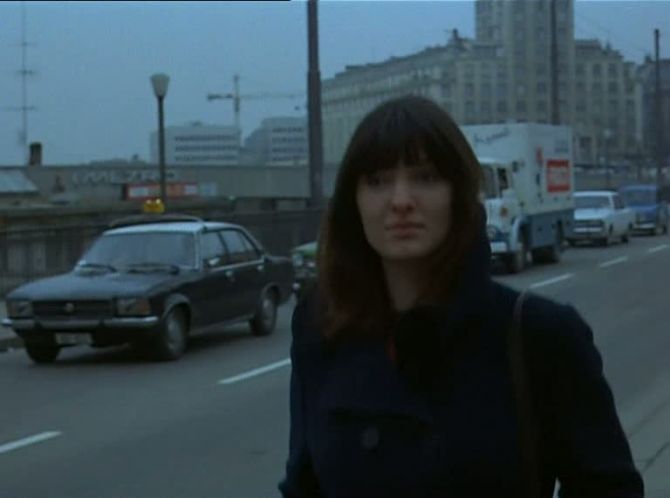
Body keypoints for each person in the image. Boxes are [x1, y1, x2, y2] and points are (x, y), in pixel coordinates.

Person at [279, 95, 643, 498]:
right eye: (378, 181)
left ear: (459, 194)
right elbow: (302, 484)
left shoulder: (537, 333)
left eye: (425, 177)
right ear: (354, 202)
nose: (401, 201)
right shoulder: (321, 328)